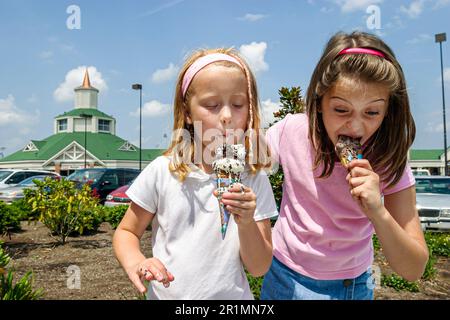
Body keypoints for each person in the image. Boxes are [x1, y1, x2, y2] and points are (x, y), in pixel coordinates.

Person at [260, 31, 429, 300]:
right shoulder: (291, 131)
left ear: (388, 112)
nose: (355, 126)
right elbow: (248, 160)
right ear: (319, 103)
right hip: (284, 277)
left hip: (353, 287)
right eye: (341, 110)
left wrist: (378, 212)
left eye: (372, 112)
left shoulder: (388, 158)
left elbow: (413, 268)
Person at [112, 48, 278, 300]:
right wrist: (137, 261)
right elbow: (127, 232)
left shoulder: (253, 177)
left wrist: (246, 222)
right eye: (212, 105)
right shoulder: (163, 171)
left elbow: (258, 267)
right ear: (187, 113)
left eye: (238, 104)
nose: (226, 116)